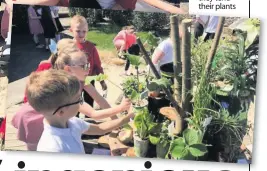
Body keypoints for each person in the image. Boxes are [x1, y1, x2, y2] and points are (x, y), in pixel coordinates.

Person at [12, 39, 131, 151]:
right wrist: (120, 111)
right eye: (84, 66)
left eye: (88, 65)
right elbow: (93, 113)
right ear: (68, 69)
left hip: (54, 117)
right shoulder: (61, 88)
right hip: (31, 117)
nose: (88, 70)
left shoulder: (80, 82)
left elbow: (100, 103)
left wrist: (119, 116)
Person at [25, 69, 134, 153]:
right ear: (61, 112)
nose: (81, 103)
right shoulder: (52, 148)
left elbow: (100, 129)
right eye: (79, 100)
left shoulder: (72, 122)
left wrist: (127, 118)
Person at [70, 15, 107, 112]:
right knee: (74, 104)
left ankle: (89, 120)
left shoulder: (91, 47)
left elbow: (97, 66)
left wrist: (102, 80)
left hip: (89, 80)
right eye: (78, 31)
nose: (81, 34)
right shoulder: (68, 47)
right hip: (73, 82)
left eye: (84, 31)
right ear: (71, 30)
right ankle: (75, 121)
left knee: (89, 101)